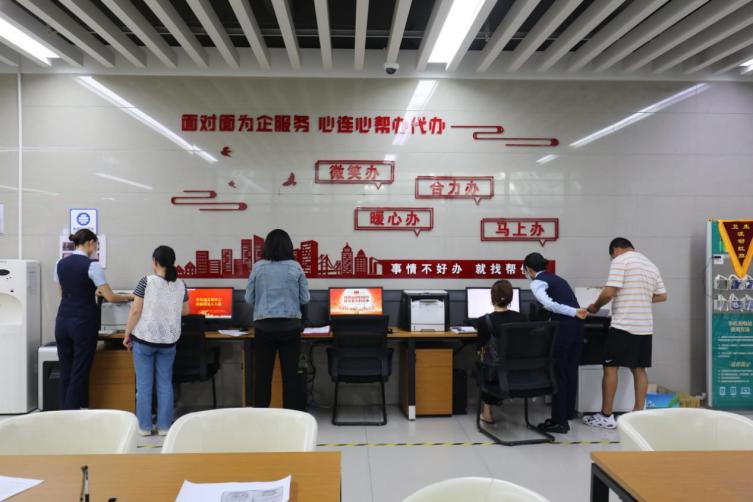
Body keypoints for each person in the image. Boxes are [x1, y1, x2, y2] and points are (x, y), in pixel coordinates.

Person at [583, 238, 667, 430]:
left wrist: (595, 307)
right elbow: (662, 295)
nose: (612, 259)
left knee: (611, 367)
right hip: (644, 326)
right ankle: (638, 415)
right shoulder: (650, 265)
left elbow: (608, 293)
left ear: (615, 250)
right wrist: (640, 298)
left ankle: (606, 415)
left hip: (623, 325)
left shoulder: (621, 261)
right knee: (639, 369)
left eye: (611, 256)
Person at [54, 229, 132, 409]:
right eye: (96, 245)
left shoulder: (60, 263)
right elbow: (110, 297)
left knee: (66, 369)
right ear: (90, 242)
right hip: (83, 322)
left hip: (62, 320)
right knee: (79, 371)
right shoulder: (92, 266)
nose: (96, 249)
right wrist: (130, 297)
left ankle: (63, 413)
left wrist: (90, 292)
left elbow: (64, 292)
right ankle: (72, 414)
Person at [123, 246, 188, 436]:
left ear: (155, 261)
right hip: (169, 341)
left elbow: (136, 310)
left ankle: (144, 428)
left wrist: (127, 334)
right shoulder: (181, 284)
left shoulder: (146, 281)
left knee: (144, 386)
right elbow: (186, 311)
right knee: (165, 384)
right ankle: (164, 427)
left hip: (145, 340)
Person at [245, 229, 310, 409]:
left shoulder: (258, 267)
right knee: (290, 376)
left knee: (262, 376)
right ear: (289, 247)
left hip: (264, 328)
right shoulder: (295, 267)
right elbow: (305, 299)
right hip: (290, 328)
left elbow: (248, 298)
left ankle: (261, 416)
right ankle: (291, 417)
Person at [524, 253, 588, 434]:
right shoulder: (558, 279)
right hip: (577, 328)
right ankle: (567, 415)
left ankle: (559, 422)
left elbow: (549, 304)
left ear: (528, 269)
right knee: (570, 371)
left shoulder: (537, 282)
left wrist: (574, 312)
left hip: (564, 328)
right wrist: (576, 312)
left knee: (558, 373)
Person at [476, 280, 527, 424]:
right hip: (521, 372)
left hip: (496, 373)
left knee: (482, 365)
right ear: (511, 298)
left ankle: (487, 412)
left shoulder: (484, 321)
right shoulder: (522, 318)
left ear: (492, 298)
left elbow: (479, 347)